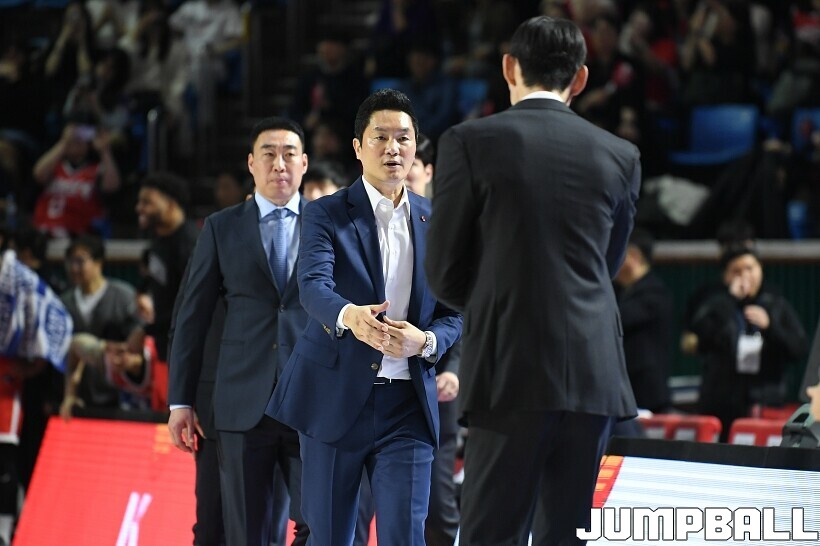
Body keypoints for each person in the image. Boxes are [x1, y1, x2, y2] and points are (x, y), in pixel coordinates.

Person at [424, 16, 640, 545]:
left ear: (508, 68)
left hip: (508, 371)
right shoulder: (621, 155)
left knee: (490, 535)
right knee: (568, 536)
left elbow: (444, 273)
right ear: (581, 78)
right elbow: (606, 266)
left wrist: (499, 296)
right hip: (594, 374)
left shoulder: (469, 141)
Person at [267, 89, 462, 546]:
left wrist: (426, 342)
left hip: (408, 403)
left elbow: (455, 309)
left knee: (405, 536)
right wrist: (350, 316)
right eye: (381, 137)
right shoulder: (325, 212)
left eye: (403, 138)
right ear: (358, 147)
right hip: (335, 396)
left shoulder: (438, 219)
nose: (393, 148)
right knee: (331, 536)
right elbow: (313, 286)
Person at [168, 117, 311, 546]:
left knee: (322, 526)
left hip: (313, 401)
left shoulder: (330, 224)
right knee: (247, 533)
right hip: (241, 402)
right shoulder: (221, 227)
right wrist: (180, 400)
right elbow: (192, 318)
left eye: (289, 154)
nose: (279, 164)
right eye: (269, 153)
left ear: (304, 163)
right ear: (251, 163)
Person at [353, 131, 462, 546]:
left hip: (429, 388)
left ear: (426, 170)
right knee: (356, 512)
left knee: (433, 508)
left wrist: (444, 358)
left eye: (408, 157)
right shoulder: (353, 220)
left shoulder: (443, 225)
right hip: (359, 389)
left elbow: (460, 311)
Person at [688, 244, 806, 440]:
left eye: (750, 268)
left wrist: (770, 327)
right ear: (725, 276)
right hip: (721, 405)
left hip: (764, 403)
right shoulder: (717, 304)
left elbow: (798, 348)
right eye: (736, 271)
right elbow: (700, 332)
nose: (744, 275)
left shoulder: (776, 304)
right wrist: (729, 300)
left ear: (760, 270)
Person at [613, 228, 674, 415]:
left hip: (648, 396)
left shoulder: (654, 293)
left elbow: (619, 320)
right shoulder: (621, 291)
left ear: (633, 256)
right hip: (626, 393)